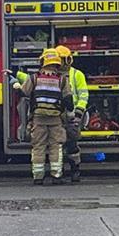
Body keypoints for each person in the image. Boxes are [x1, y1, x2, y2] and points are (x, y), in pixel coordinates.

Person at [13, 49, 72, 184]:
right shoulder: (62, 80)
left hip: (38, 119)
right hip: (56, 120)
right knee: (55, 146)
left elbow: (24, 93)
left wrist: (15, 84)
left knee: (38, 146)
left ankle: (38, 177)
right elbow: (69, 101)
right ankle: (56, 176)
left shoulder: (34, 78)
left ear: (43, 62)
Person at [55, 45, 89, 182]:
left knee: (72, 145)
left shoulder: (77, 74)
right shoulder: (53, 75)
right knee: (57, 145)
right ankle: (59, 172)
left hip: (72, 115)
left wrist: (78, 113)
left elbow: (83, 95)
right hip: (57, 115)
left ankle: (75, 170)